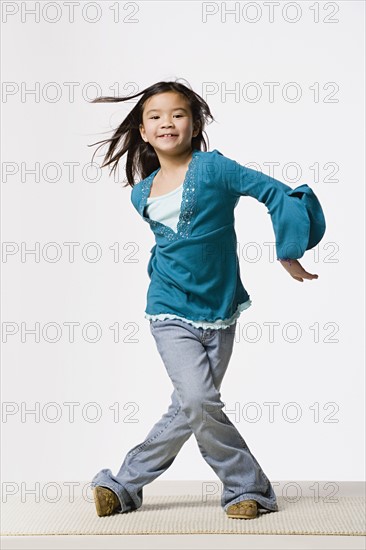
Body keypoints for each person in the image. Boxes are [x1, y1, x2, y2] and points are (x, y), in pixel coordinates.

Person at [88, 79, 326, 520]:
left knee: (192, 405)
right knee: (199, 400)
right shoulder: (142, 193)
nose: (166, 123)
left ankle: (122, 486)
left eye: (177, 114)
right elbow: (168, 249)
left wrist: (289, 250)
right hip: (167, 309)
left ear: (194, 123)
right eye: (155, 117)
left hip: (219, 310)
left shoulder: (215, 169)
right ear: (142, 131)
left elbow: (274, 191)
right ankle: (246, 488)